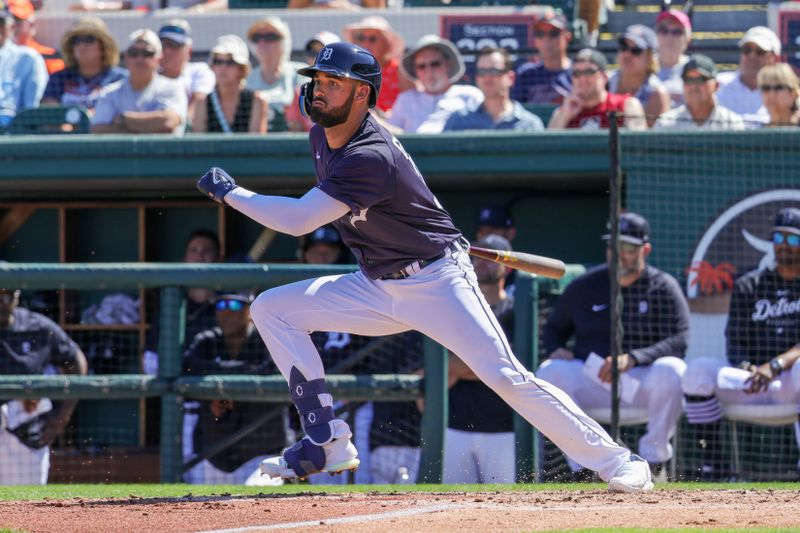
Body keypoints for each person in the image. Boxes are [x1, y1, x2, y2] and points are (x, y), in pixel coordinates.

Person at [196, 41, 655, 492]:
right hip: (376, 284)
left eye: (334, 82)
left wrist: (231, 193)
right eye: (317, 79)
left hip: (436, 279)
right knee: (273, 309)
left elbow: (297, 221)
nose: (319, 89)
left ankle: (619, 461)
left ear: (362, 94)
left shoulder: (369, 154)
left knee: (507, 377)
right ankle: (325, 438)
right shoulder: (321, 135)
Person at [540, 212, 689, 476]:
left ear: (646, 249)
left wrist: (633, 357)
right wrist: (556, 348)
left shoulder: (663, 286)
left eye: (628, 247)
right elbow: (553, 327)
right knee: (550, 371)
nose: (620, 253)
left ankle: (653, 462)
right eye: (614, 245)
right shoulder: (585, 286)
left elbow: (679, 340)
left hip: (640, 382)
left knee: (673, 369)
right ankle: (584, 466)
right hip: (595, 377)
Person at [682, 208, 800, 481]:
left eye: (793, 240)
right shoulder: (750, 284)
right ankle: (715, 465)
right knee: (698, 371)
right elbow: (734, 339)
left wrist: (775, 364)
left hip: (790, 384)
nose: (784, 246)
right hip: (753, 381)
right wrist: (747, 366)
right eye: (779, 238)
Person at [183, 292, 287, 485]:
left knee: (256, 491)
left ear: (251, 311)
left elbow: (269, 369)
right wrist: (216, 394)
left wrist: (227, 388)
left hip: (260, 454)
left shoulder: (266, 338)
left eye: (236, 306)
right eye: (221, 306)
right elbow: (189, 368)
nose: (227, 313)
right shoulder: (207, 340)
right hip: (214, 455)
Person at [444, 234, 516, 484]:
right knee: (447, 509)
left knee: (510, 509)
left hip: (505, 429)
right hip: (455, 426)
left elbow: (507, 364)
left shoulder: (518, 312)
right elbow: (438, 365)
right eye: (476, 258)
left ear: (506, 267)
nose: (481, 263)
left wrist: (459, 365)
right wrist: (479, 364)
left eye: (490, 258)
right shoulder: (455, 308)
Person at [0, 286, 88, 485]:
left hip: (24, 421)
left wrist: (61, 417)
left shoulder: (36, 326)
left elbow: (75, 361)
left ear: (16, 297)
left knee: (26, 501)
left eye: (6, 297)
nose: (1, 304)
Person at [91, 29, 187, 135]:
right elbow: (98, 130)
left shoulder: (172, 87)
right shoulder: (109, 93)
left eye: (147, 53)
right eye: (134, 53)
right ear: (126, 57)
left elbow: (168, 122)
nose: (140, 59)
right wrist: (150, 127)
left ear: (159, 58)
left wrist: (123, 119)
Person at [388, 35, 483, 133]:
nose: (429, 71)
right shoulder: (405, 100)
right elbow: (391, 137)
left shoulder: (470, 95)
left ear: (448, 64)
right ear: (415, 70)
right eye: (421, 66)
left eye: (435, 64)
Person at [444, 47, 544, 132]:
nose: (487, 77)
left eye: (494, 71)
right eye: (482, 71)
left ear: (510, 78)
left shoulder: (530, 125)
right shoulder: (459, 120)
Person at [41, 17, 126, 113]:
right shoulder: (58, 78)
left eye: (88, 39)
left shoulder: (119, 79)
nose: (81, 45)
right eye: (76, 40)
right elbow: (49, 112)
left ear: (103, 46)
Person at [548, 48, 646, 130]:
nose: (582, 78)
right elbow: (547, 147)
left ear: (605, 77)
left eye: (589, 72)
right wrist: (565, 116)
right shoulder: (563, 110)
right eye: (576, 73)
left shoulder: (627, 105)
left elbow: (638, 145)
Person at [192, 35, 268, 134]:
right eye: (218, 62)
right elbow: (199, 145)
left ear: (241, 69)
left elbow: (256, 145)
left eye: (230, 62)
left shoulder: (257, 101)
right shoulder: (202, 103)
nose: (223, 68)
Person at [655, 55, 745, 130]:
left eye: (701, 80)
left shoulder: (733, 124)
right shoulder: (665, 124)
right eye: (689, 80)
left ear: (716, 85)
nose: (693, 86)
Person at [342, 16, 411, 113]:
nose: (366, 44)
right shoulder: (351, 70)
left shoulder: (399, 69)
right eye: (361, 38)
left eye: (372, 39)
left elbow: (413, 104)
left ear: (386, 43)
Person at [609, 25, 670, 127]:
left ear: (650, 57)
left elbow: (652, 139)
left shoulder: (656, 93)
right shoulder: (606, 81)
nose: (627, 55)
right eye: (624, 47)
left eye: (636, 51)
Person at [717, 26, 779, 125]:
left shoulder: (784, 92)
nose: (752, 56)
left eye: (760, 51)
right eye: (747, 50)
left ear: (774, 58)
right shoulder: (718, 85)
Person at [157, 20, 215, 122]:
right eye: (163, 45)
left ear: (189, 51)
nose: (167, 50)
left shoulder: (199, 71)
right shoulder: (150, 75)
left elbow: (197, 106)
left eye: (174, 45)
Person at [0, 4, 47, 129]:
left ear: (11, 26)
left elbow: (31, 109)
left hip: (13, 129)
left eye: (0, 23)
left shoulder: (28, 57)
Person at [245, 17, 304, 115]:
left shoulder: (301, 73)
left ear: (284, 41)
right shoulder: (247, 80)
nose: (262, 43)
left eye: (270, 37)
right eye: (257, 38)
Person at [511, 13, 572, 105]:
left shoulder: (580, 73)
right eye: (540, 34)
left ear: (567, 37)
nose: (546, 40)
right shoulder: (526, 74)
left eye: (553, 34)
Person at [9, 0, 63, 74]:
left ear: (31, 25)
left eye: (16, 20)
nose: (10, 26)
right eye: (2, 22)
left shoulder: (49, 58)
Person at [654, 9, 691, 107]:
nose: (669, 37)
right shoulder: (642, 65)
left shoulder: (693, 69)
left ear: (688, 39)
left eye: (677, 32)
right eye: (663, 31)